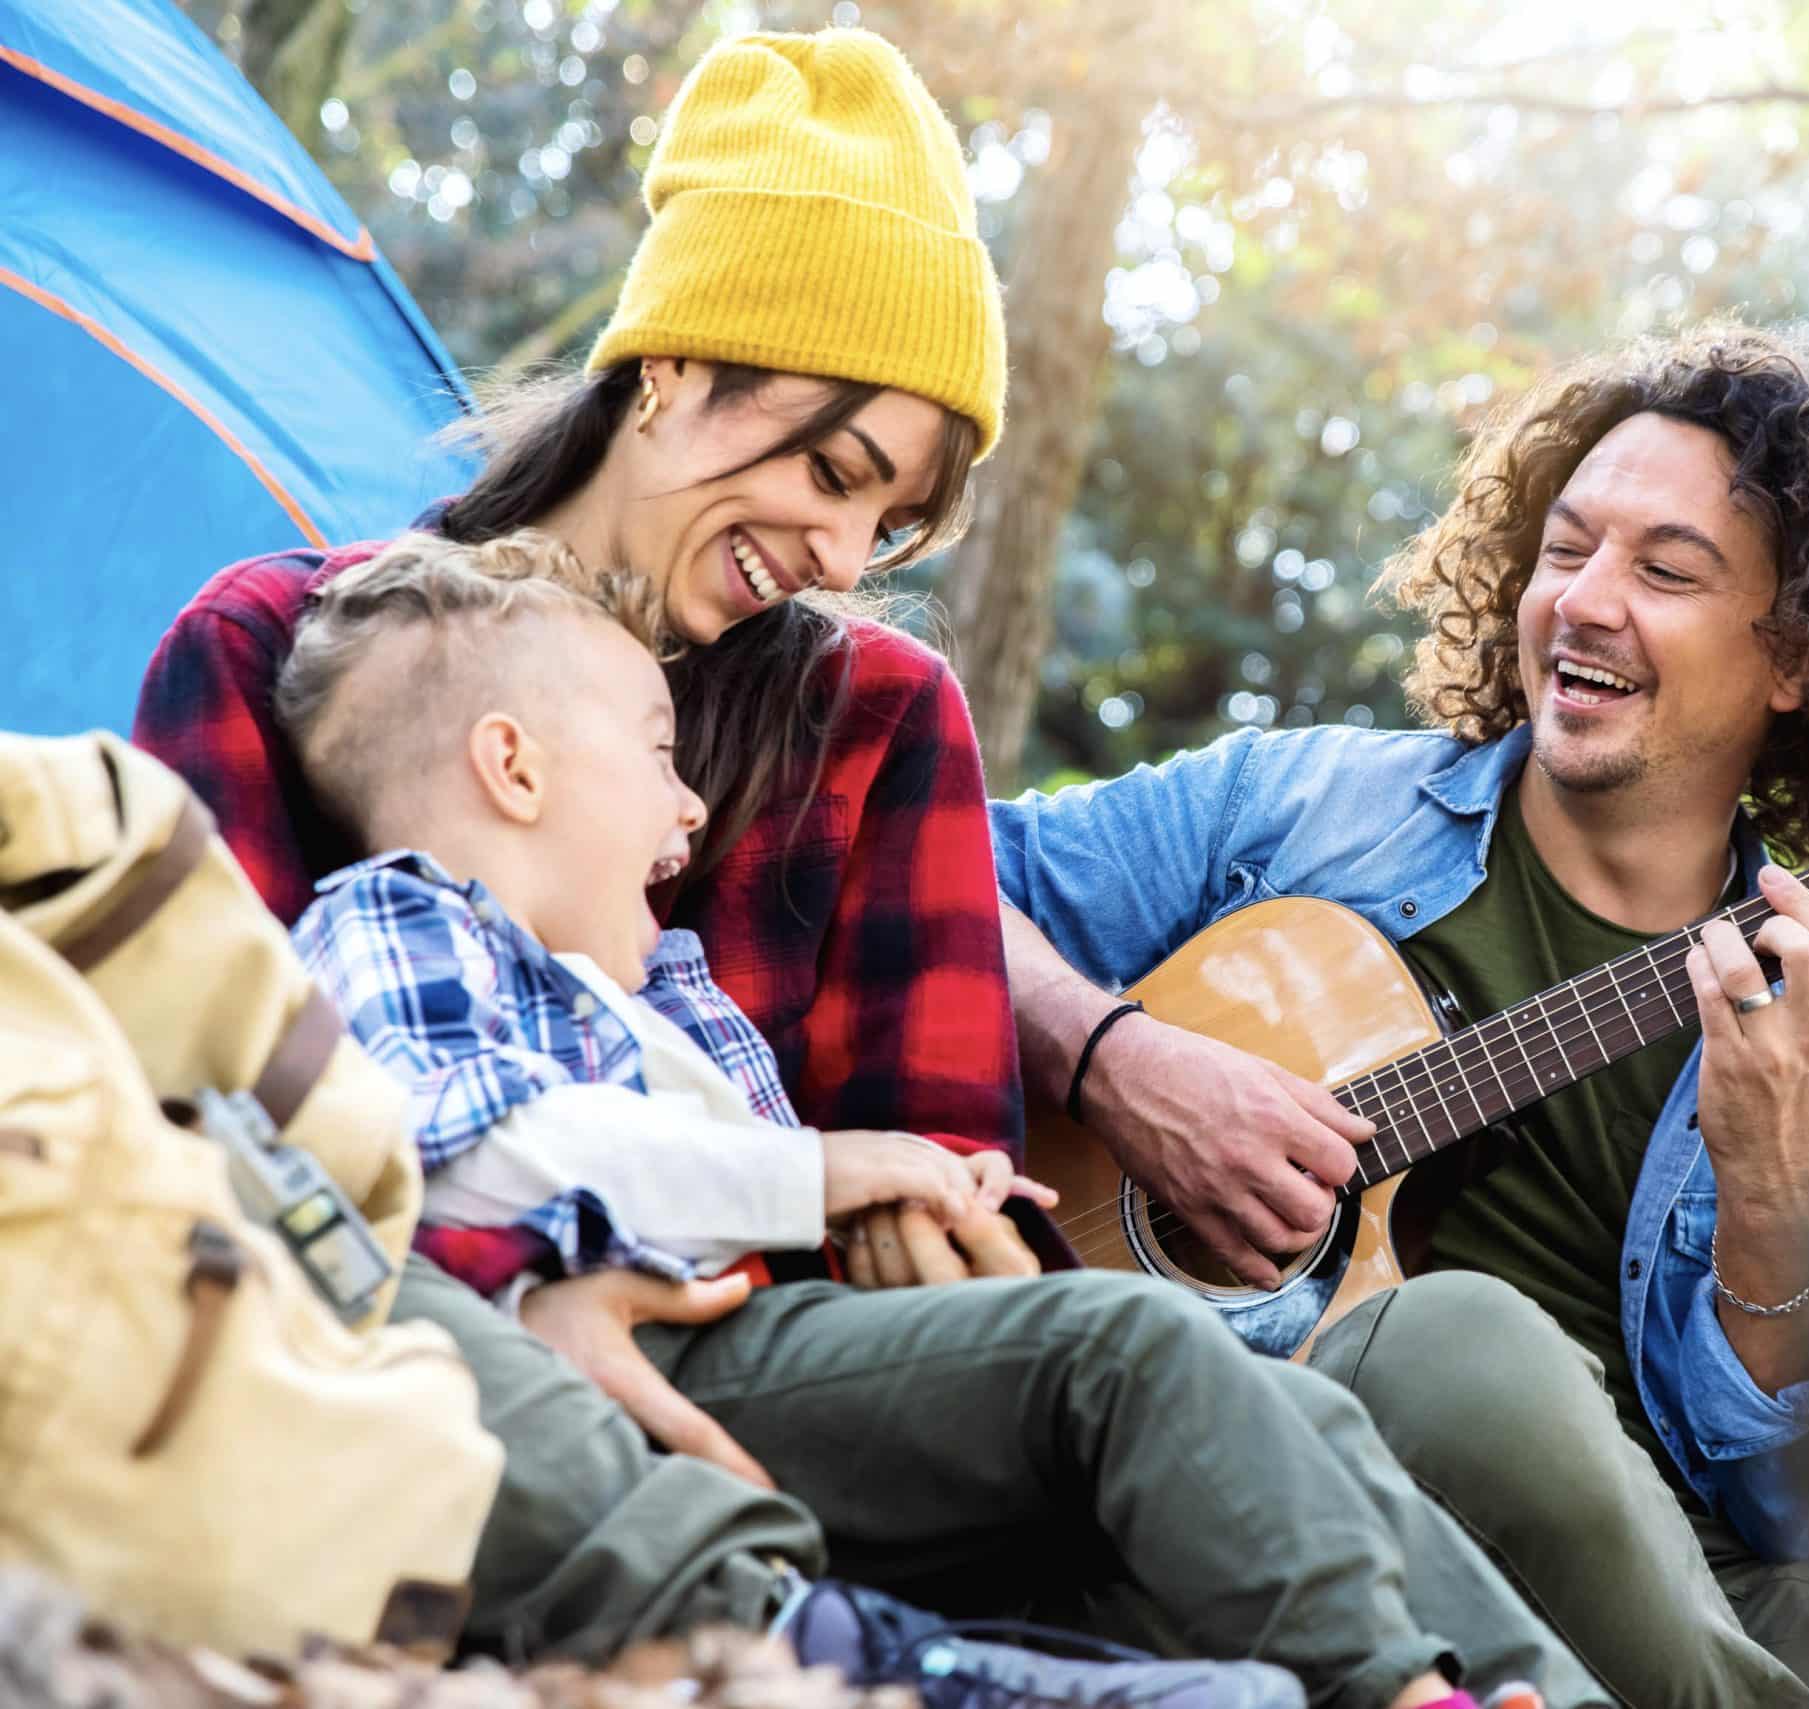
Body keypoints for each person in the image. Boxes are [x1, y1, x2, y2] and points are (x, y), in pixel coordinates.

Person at [130, 30, 1599, 1709]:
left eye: (889, 519)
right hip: (434, 1377)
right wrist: (520, 1302)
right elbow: (210, 1112)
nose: (841, 556)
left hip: (834, 1379)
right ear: (674, 366)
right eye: (834, 470)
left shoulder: (876, 716)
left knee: (1276, 1409)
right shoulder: (283, 652)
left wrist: (896, 1224)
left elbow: (946, 1187)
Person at [272, 527, 1587, 1709]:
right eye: (661, 753)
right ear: (511, 764)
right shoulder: (396, 916)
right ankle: (1398, 1689)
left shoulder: (653, 981)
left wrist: (935, 1209)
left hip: (792, 1353)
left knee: (1292, 1408)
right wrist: (824, 1171)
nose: (689, 805)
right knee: (1122, 1346)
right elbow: (472, 1151)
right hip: (651, 1377)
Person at [992, 321, 1809, 1708]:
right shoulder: (1308, 808)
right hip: (1302, 1467)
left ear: (1800, 659)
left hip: (1677, 1580)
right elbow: (930, 868)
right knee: (1470, 1341)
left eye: (1665, 569)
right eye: (1565, 547)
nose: (1583, 600)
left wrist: (1772, 1190)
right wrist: (1112, 1056)